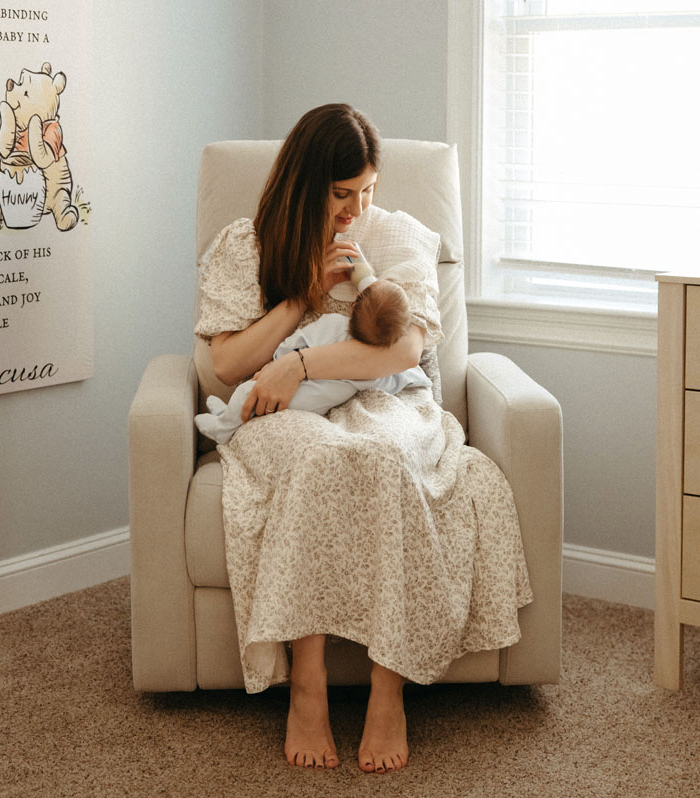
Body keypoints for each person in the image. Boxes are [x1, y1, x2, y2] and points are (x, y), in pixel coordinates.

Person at [194, 103, 532, 774]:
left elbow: (403, 349)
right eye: (342, 193)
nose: (356, 208)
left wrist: (300, 363)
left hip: (379, 401)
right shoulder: (248, 242)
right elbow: (229, 364)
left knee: (375, 456)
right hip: (278, 415)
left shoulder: (399, 238)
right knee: (321, 457)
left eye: (368, 189)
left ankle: (388, 689)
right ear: (303, 182)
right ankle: (308, 685)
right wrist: (297, 302)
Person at [195, 276, 430, 445]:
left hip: (297, 392)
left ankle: (222, 428)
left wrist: (278, 361)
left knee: (250, 392)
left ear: (355, 306)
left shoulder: (333, 325)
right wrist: (417, 379)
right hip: (319, 405)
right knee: (255, 405)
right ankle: (227, 414)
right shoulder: (380, 367)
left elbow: (295, 342)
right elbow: (401, 378)